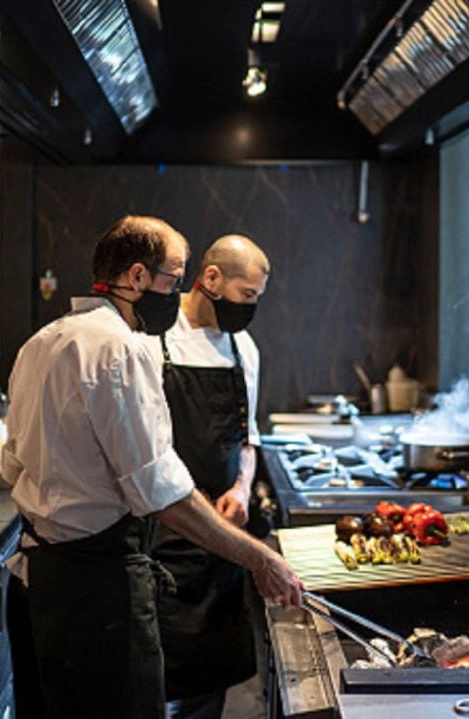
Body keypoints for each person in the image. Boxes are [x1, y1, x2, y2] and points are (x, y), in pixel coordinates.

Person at [2, 216, 303, 719]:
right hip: (96, 592)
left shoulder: (44, 341)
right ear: (137, 278)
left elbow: (12, 463)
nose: (178, 292)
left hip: (40, 581)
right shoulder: (122, 349)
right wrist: (260, 558)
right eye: (174, 278)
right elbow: (159, 491)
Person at [146, 234, 271, 718]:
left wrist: (241, 487)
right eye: (248, 295)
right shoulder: (153, 339)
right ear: (211, 279)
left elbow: (248, 436)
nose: (251, 309)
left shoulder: (244, 349)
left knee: (208, 689)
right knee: (155, 683)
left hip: (221, 543)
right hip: (161, 537)